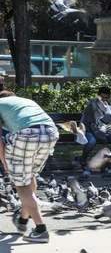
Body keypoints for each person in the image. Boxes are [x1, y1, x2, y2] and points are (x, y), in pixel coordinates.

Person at [0, 90, 59, 243]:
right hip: (50, 133)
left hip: (26, 134)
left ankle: (41, 230)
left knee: (21, 184)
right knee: (29, 175)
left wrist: (4, 161)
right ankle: (23, 219)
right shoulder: (24, 102)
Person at [80, 87, 111, 168]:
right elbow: (89, 124)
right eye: (102, 97)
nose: (104, 99)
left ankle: (109, 161)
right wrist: (100, 135)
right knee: (91, 141)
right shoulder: (91, 106)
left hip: (105, 131)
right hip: (90, 130)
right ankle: (83, 159)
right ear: (98, 96)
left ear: (109, 97)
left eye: (106, 98)